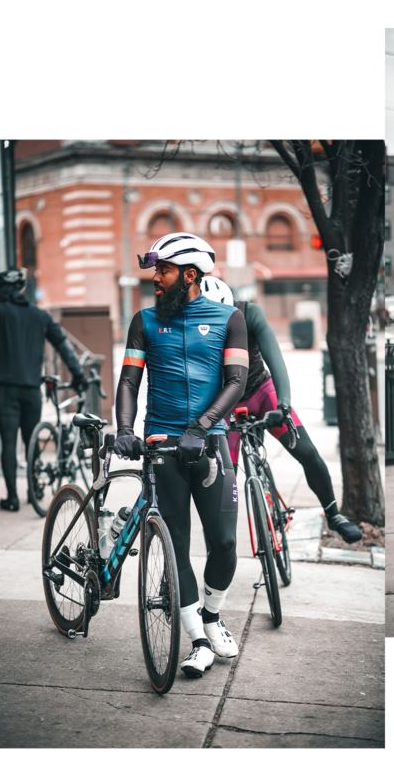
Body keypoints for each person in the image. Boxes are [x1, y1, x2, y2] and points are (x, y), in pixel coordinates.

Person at [115, 233, 248, 679]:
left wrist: (202, 426)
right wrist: (126, 430)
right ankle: (196, 639)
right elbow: (130, 381)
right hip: (162, 449)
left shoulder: (230, 318)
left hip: (208, 445)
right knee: (176, 548)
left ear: (188, 275)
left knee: (225, 543)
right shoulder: (144, 322)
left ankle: (211, 616)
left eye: (163, 271)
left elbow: (236, 381)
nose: (156, 279)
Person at [199, 277, 364, 543]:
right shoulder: (191, 328)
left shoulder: (250, 313)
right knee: (223, 478)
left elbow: (276, 361)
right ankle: (220, 547)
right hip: (224, 405)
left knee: (306, 450)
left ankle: (334, 514)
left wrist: (283, 405)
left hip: (260, 391)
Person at [0, 268, 86, 511]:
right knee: (31, 440)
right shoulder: (40, 316)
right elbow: (63, 346)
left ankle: (12, 498)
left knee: (8, 442)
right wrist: (78, 374)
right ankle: (34, 490)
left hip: (6, 389)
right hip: (31, 391)